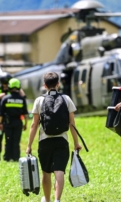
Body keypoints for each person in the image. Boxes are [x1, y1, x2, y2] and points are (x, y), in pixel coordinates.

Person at [26, 72, 82, 202]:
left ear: (44, 85)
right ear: (58, 84)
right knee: (59, 171)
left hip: (45, 141)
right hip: (62, 140)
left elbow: (34, 125)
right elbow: (72, 124)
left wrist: (29, 145)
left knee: (46, 172)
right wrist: (76, 143)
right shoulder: (66, 99)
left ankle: (47, 199)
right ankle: (57, 200)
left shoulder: (39, 100)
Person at [0, 78, 28, 162]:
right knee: (16, 141)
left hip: (7, 122)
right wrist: (25, 124)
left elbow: (1, 113)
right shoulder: (22, 99)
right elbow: (25, 113)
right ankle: (16, 157)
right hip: (18, 122)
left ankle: (7, 157)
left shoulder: (5, 98)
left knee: (8, 140)